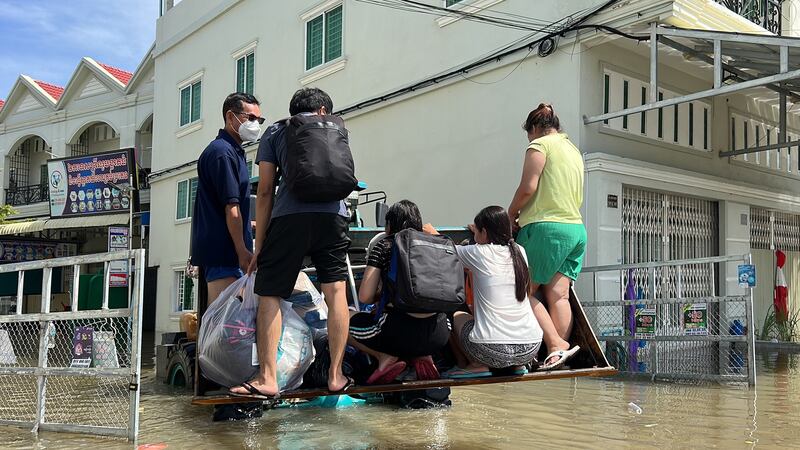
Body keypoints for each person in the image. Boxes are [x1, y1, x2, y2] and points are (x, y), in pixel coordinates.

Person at [230, 88, 352, 397]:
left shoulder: (277, 130)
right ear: (323, 110)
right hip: (334, 216)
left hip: (290, 218)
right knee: (336, 291)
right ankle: (337, 375)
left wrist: (259, 246)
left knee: (270, 293)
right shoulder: (337, 127)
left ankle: (268, 378)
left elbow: (267, 189)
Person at [508, 103, 584, 370]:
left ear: (535, 129)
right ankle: (558, 355)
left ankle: (554, 344)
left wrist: (511, 212)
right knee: (558, 295)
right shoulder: (573, 150)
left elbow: (528, 188)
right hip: (575, 230)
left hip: (544, 229)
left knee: (520, 292)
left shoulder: (540, 146)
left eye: (529, 134)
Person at [432, 206, 543, 378]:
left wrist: (433, 233)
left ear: (484, 232)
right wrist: (479, 232)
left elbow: (445, 250)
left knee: (455, 315)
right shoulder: (519, 251)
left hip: (491, 350)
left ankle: (476, 365)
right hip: (530, 348)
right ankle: (517, 366)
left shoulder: (479, 252)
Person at [349, 200, 448, 384]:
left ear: (389, 225)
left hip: (397, 333)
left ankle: (384, 358)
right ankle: (422, 356)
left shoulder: (384, 245)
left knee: (343, 320)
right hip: (439, 333)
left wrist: (384, 295)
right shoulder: (435, 246)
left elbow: (365, 296)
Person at [190, 92, 263, 304]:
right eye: (250, 118)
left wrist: (252, 226)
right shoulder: (223, 153)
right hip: (224, 253)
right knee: (226, 324)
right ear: (230, 117)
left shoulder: (232, 151)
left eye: (258, 120)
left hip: (227, 250)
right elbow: (231, 208)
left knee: (232, 323)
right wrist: (242, 253)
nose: (255, 124)